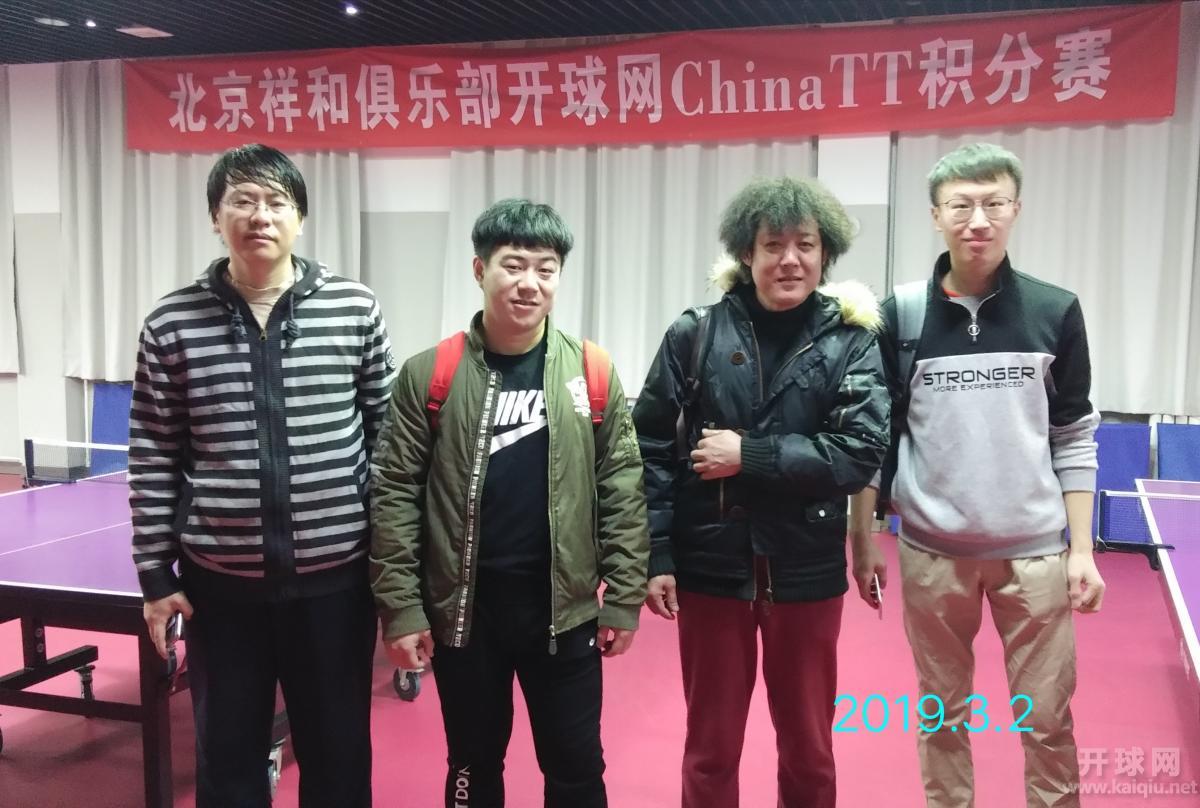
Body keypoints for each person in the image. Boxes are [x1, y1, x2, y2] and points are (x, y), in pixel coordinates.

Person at [129, 143, 393, 807]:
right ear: (215, 217)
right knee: (227, 766)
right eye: (242, 201)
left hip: (336, 587)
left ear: (300, 217)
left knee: (338, 762)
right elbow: (154, 451)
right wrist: (155, 574)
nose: (259, 215)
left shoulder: (354, 307)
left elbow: (388, 441)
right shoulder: (171, 322)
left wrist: (394, 567)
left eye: (276, 201)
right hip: (222, 592)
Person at [849, 142, 1105, 808]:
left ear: (1016, 208)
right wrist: (863, 538)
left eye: (994, 202)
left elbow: (1073, 433)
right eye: (960, 205)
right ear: (936, 215)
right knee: (941, 717)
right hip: (933, 555)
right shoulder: (901, 314)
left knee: (1046, 720)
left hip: (1036, 556)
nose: (978, 220)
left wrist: (1081, 550)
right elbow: (877, 438)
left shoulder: (1054, 309)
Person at [369, 198, 649, 808]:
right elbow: (394, 494)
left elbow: (622, 487)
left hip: (564, 613)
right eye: (513, 266)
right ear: (480, 270)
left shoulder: (592, 370)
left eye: (546, 269)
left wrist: (625, 596)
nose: (529, 284)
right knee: (472, 764)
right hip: (465, 615)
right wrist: (403, 607)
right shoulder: (430, 374)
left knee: (576, 767)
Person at [632, 176, 890, 808]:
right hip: (710, 568)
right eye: (773, 245)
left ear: (825, 254)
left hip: (807, 569)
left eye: (805, 245)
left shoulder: (851, 341)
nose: (789, 260)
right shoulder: (694, 333)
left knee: (810, 751)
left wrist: (748, 454)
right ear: (747, 253)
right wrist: (657, 554)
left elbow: (859, 452)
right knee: (710, 750)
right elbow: (650, 448)